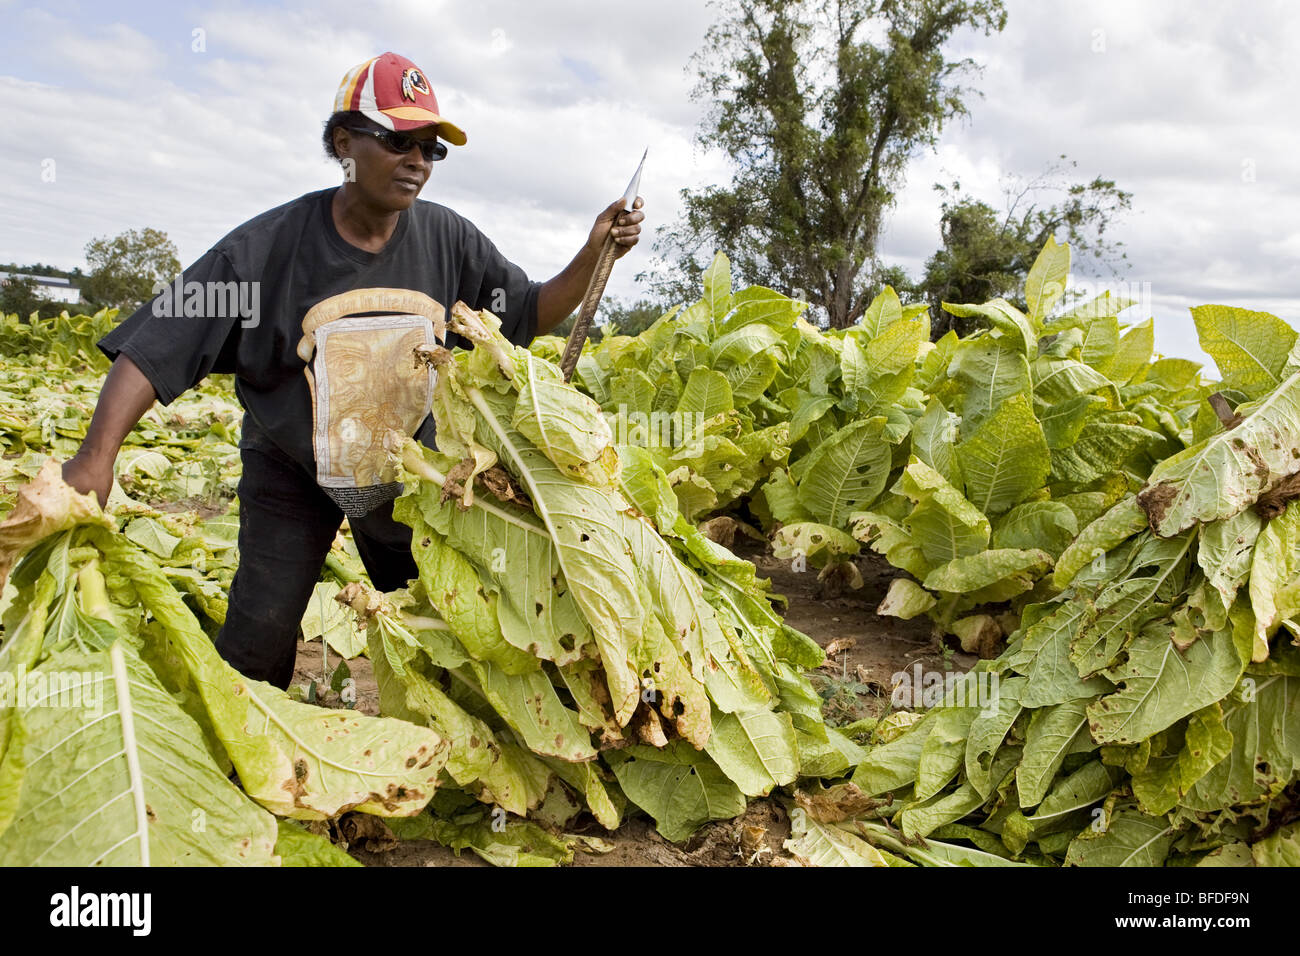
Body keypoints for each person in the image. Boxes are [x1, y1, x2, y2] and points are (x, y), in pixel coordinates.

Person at [60, 51, 644, 689]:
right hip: (292, 469)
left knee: (449, 633)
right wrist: (97, 456)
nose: (417, 161)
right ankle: (247, 760)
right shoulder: (266, 249)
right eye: (398, 141)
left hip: (410, 474)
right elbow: (157, 345)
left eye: (431, 149)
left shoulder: (450, 239)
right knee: (259, 635)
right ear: (344, 142)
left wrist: (592, 253)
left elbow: (530, 310)